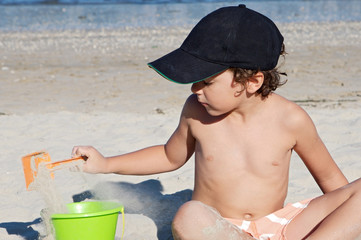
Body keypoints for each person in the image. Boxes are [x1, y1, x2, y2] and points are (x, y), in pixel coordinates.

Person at [72, 5, 361, 240]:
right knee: (189, 215)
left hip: (282, 226)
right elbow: (168, 156)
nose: (195, 89)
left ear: (251, 81)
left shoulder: (291, 120)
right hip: (221, 229)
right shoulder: (196, 112)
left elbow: (334, 185)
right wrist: (106, 163)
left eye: (206, 81)